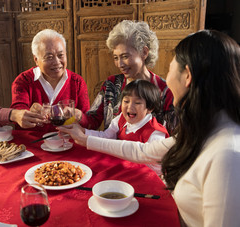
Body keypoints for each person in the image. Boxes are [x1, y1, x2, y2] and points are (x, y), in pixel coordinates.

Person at [58, 30, 240, 226]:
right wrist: (85, 137)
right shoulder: (205, 129)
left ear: (187, 76)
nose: (167, 79)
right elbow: (143, 150)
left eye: (170, 68)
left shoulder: (227, 156)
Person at [79, 20, 175, 134]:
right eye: (115, 57)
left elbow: (172, 137)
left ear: (144, 52)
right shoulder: (111, 84)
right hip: (109, 148)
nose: (120, 64)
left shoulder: (164, 91)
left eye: (125, 56)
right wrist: (78, 116)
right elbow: (93, 121)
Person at [10, 29, 90, 131]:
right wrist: (29, 113)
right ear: (36, 60)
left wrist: (80, 116)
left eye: (61, 55)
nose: (57, 62)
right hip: (32, 143)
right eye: (49, 57)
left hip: (67, 142)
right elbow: (17, 113)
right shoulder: (23, 81)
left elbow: (88, 123)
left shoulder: (77, 82)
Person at [84, 79, 169, 175]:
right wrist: (83, 132)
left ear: (149, 108)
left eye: (137, 103)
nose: (129, 107)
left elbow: (157, 168)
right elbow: (106, 136)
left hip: (143, 176)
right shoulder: (121, 118)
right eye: (126, 101)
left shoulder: (155, 133)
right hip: (122, 170)